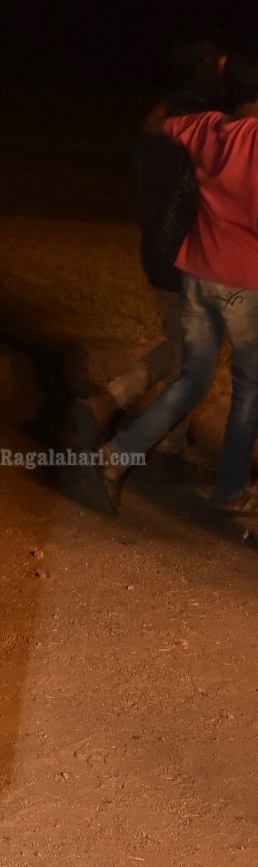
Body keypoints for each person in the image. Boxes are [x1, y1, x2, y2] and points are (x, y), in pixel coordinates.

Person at [97, 40, 258, 517]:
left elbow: (154, 124)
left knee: (191, 378)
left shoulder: (207, 128)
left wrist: (193, 90)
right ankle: (228, 490)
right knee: (250, 387)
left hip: (194, 273)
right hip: (244, 284)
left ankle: (115, 455)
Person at [71, 29, 225, 463]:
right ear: (200, 69)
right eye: (217, 64)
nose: (223, 71)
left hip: (155, 246)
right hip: (187, 251)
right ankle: (152, 445)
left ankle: (109, 403)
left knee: (182, 345)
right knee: (194, 356)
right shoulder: (203, 121)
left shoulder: (158, 113)